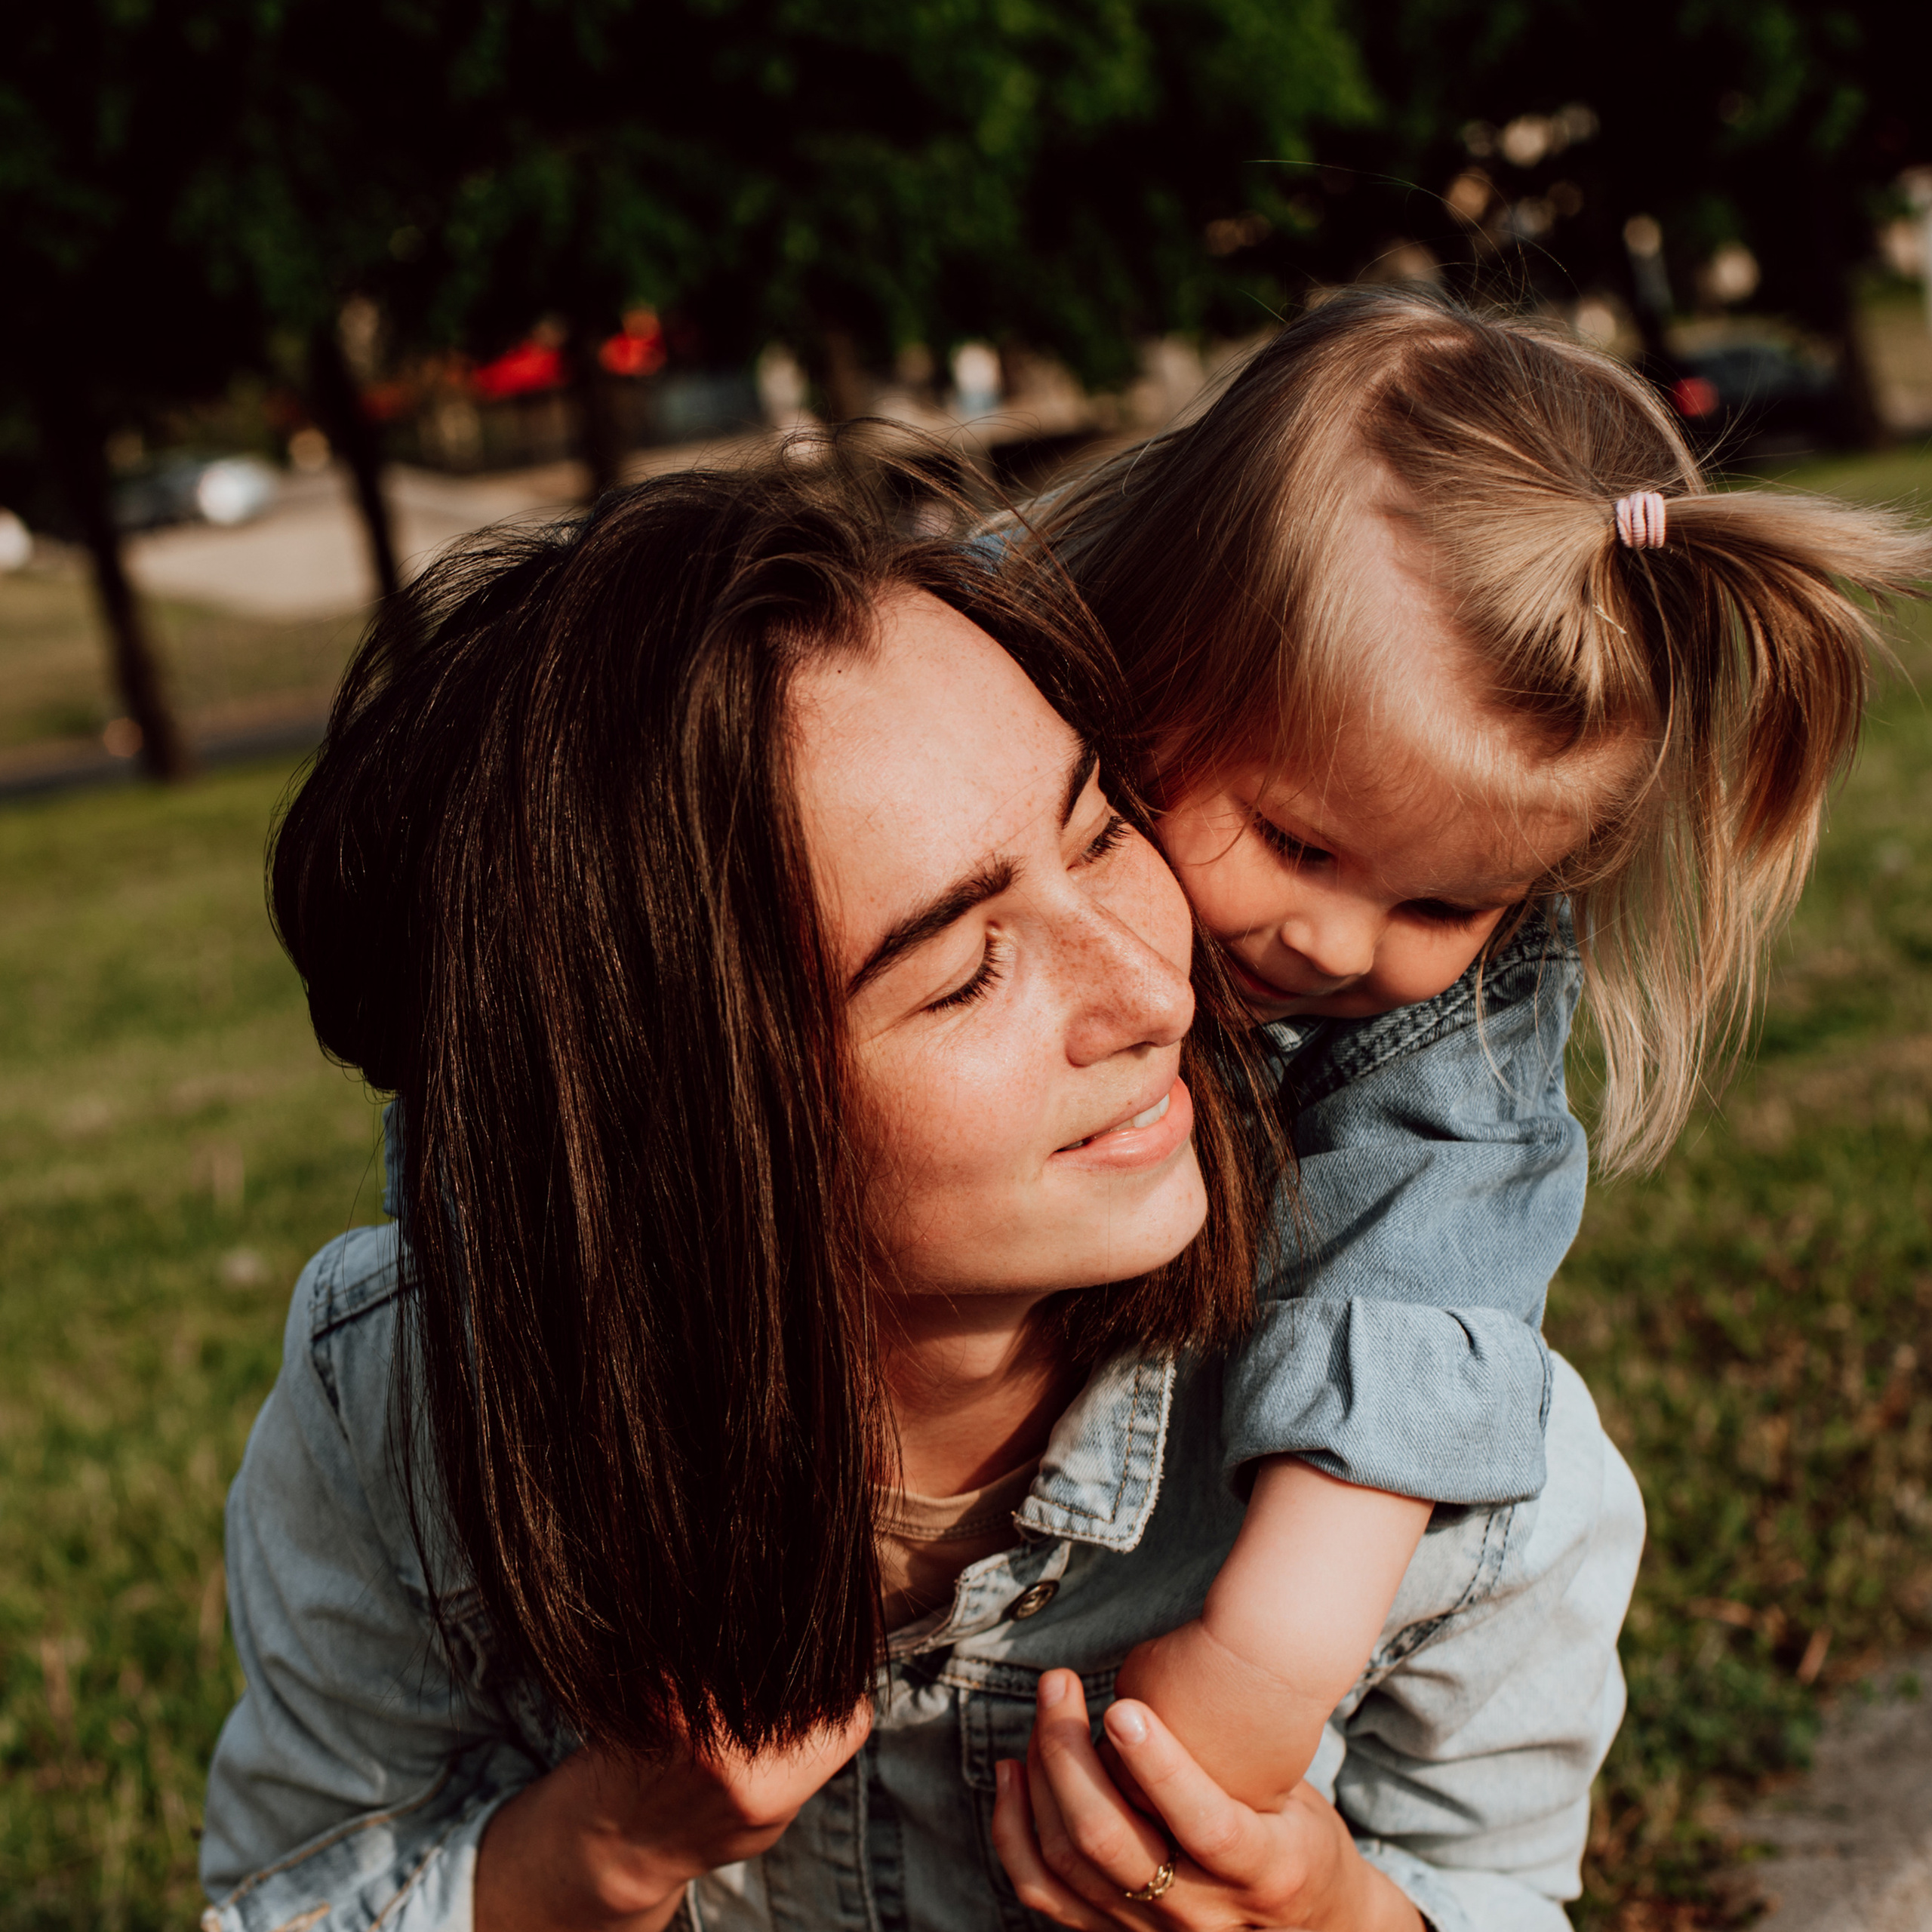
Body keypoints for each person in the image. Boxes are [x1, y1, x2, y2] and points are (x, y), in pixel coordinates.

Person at [200, 447, 1641, 1932]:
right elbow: (291, 1896)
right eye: (962, 973)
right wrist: (609, 1841)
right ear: (680, 1119)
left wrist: (1329, 1913)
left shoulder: (1423, 1465)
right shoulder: (404, 1401)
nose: (1156, 992)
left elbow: (1494, 1882)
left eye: (1099, 829)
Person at [1017, 286, 1932, 1810]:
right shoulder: (981, 685)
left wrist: (1265, 1661)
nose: (1331, 941)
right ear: (1167, 628)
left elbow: (1421, 1275)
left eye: (1439, 898)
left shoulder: (1466, 1005)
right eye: (1294, 838)